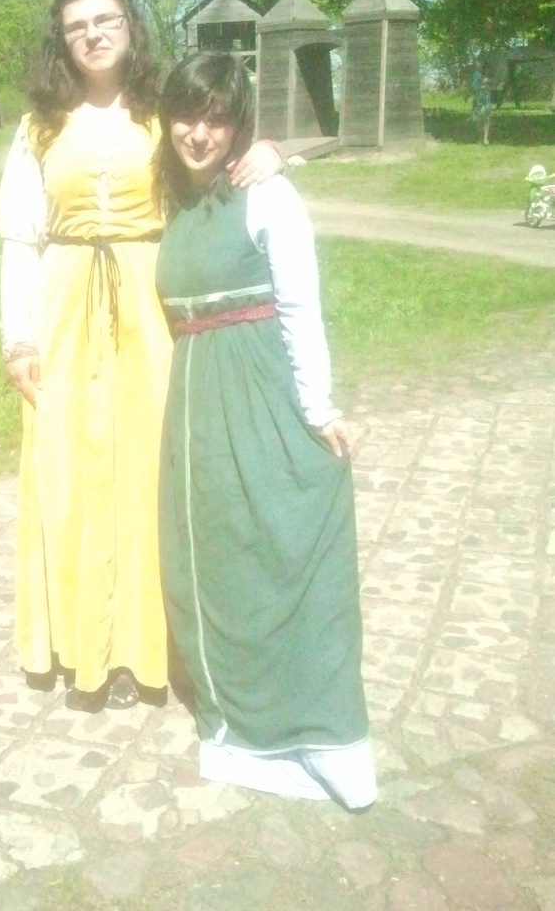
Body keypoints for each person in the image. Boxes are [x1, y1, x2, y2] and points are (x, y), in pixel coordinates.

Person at [0, 0, 284, 712]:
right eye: (77, 25)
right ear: (61, 39)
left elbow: (218, 155)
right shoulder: (39, 127)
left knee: (150, 469)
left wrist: (272, 155)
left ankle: (145, 648)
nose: (92, 34)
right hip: (63, 308)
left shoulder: (164, 112)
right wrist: (17, 338)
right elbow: (18, 238)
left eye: (106, 19)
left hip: (150, 305)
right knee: (68, 470)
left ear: (130, 26)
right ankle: (78, 644)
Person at [154, 51, 377, 810]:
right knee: (218, 563)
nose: (199, 133)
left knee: (281, 551)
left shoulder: (266, 193)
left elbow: (300, 305)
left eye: (218, 119)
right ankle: (238, 725)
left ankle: (316, 731)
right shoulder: (173, 196)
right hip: (195, 405)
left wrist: (319, 410)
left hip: (259, 392)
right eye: (188, 115)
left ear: (239, 124)